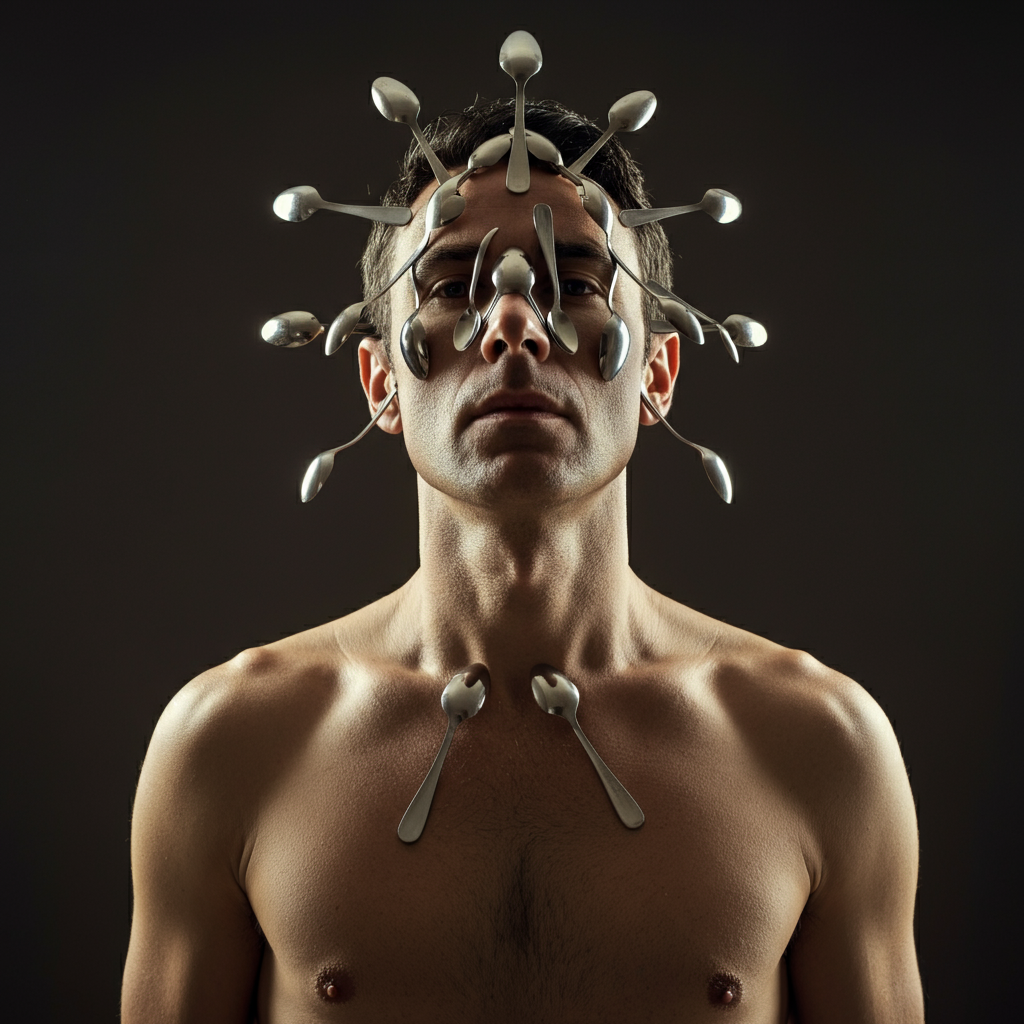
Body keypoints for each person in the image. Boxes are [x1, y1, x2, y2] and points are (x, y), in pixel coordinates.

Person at [122, 98, 924, 1022]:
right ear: (381, 379)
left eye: (576, 282)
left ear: (656, 377)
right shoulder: (231, 746)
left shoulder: (819, 748)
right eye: (453, 285)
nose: (513, 324)